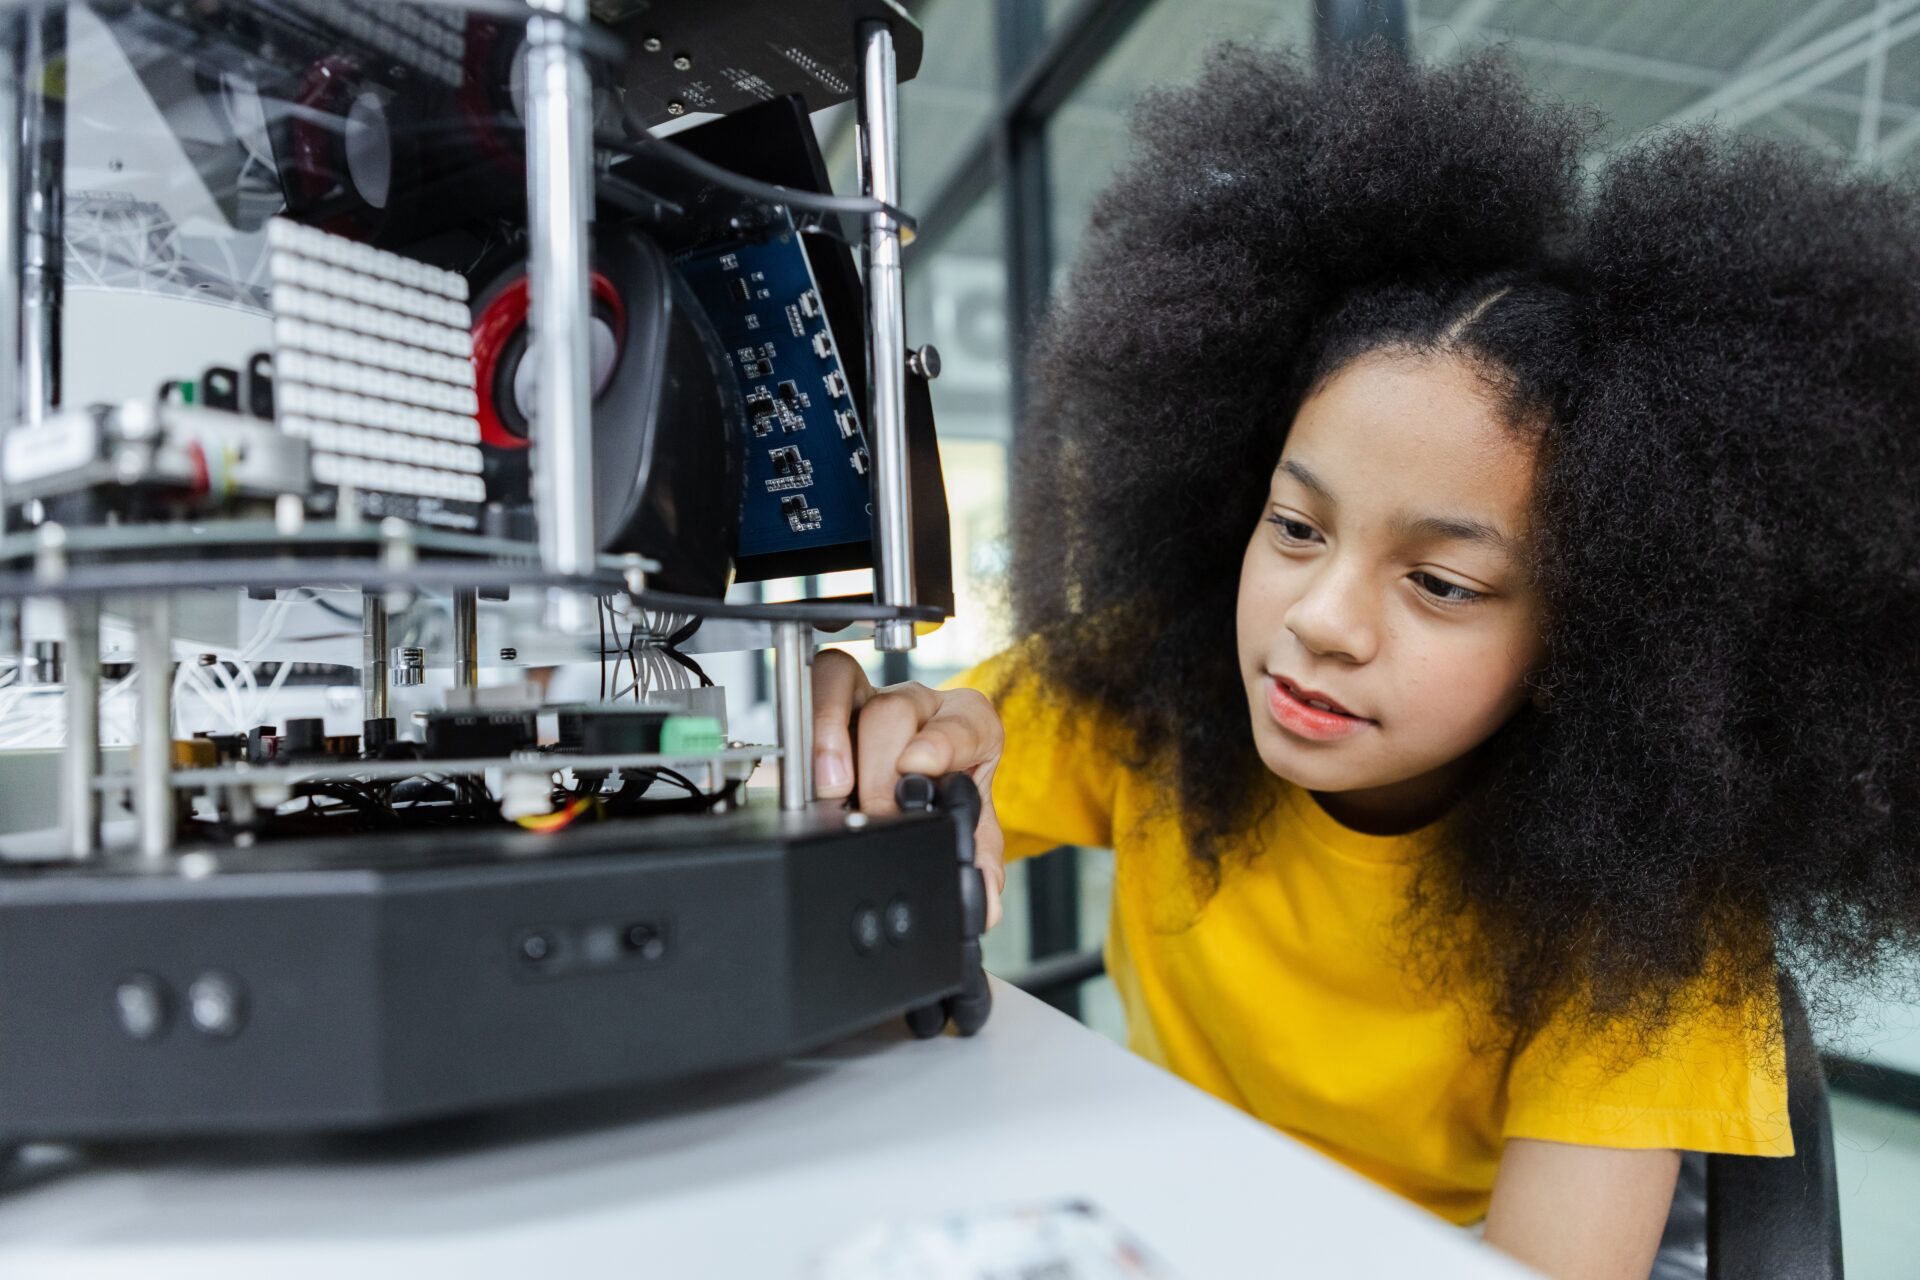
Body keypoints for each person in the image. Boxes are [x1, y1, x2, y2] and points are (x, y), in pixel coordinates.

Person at [812, 45, 1920, 1279]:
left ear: (1591, 646)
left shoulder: (1647, 914)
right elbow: (948, 745)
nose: (1322, 619)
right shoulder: (1145, 691)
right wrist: (885, 744)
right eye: (1295, 526)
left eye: (1441, 583)